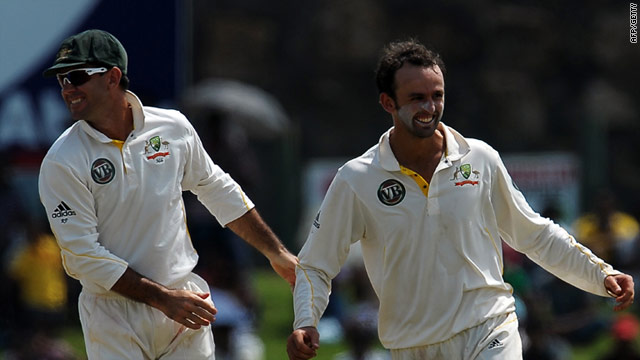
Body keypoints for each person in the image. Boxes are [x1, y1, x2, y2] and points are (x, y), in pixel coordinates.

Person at [286, 39, 634, 360]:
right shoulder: (357, 179)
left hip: (488, 329)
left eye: (437, 95)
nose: (429, 107)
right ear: (388, 102)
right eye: (416, 98)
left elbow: (534, 234)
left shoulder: (479, 158)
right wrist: (306, 320)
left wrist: (598, 274)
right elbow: (317, 263)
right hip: (412, 345)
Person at [38, 29, 297, 359]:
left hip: (183, 301)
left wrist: (276, 253)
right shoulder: (63, 160)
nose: (67, 89)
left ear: (112, 76)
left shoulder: (173, 127)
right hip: (113, 313)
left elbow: (217, 189)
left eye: (76, 76)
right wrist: (162, 298)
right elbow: (82, 256)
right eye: (61, 80)